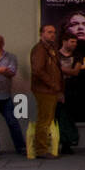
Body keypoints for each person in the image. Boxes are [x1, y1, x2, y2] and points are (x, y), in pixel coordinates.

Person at [28, 24, 62, 160]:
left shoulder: (51, 49)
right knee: (44, 119)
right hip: (44, 89)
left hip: (50, 89)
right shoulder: (40, 49)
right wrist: (52, 83)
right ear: (41, 33)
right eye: (49, 32)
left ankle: (43, 148)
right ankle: (41, 150)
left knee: (47, 119)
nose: (52, 34)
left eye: (54, 32)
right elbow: (37, 70)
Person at [0, 34, 27, 154]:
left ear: (1, 43)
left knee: (12, 121)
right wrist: (2, 70)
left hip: (4, 95)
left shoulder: (10, 57)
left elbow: (12, 72)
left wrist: (0, 70)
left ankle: (20, 147)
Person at [56, 33, 85, 153]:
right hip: (57, 88)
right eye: (72, 42)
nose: (74, 44)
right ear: (64, 41)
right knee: (59, 116)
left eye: (75, 42)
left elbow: (75, 72)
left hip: (72, 89)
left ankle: (68, 143)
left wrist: (59, 68)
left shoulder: (77, 55)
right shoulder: (56, 55)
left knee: (69, 116)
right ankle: (60, 141)